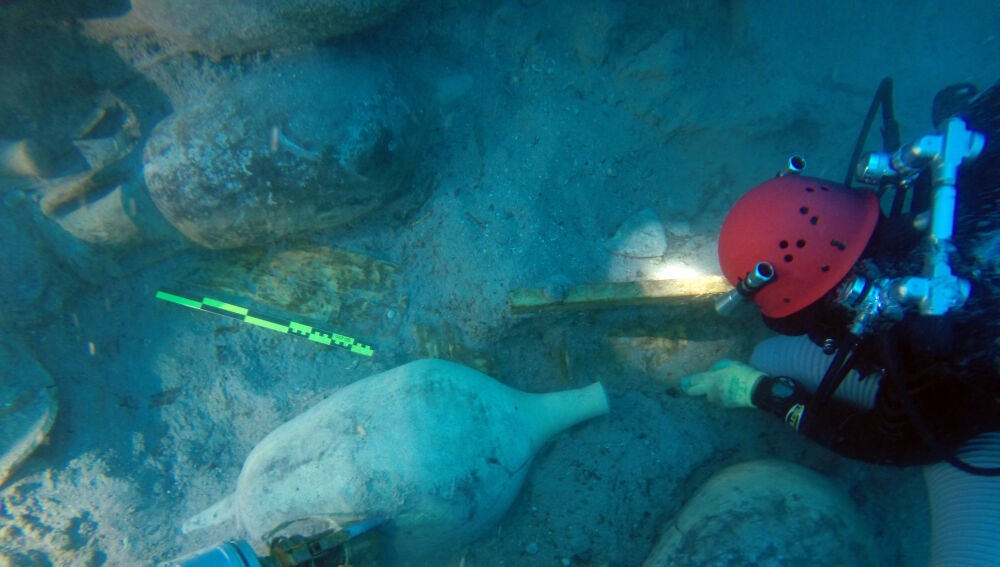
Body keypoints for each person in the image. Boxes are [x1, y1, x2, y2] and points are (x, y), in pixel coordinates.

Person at [677, 79, 1000, 566]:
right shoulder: (970, 153)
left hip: (977, 401)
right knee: (772, 357)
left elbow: (899, 441)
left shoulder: (941, 347)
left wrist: (767, 395)